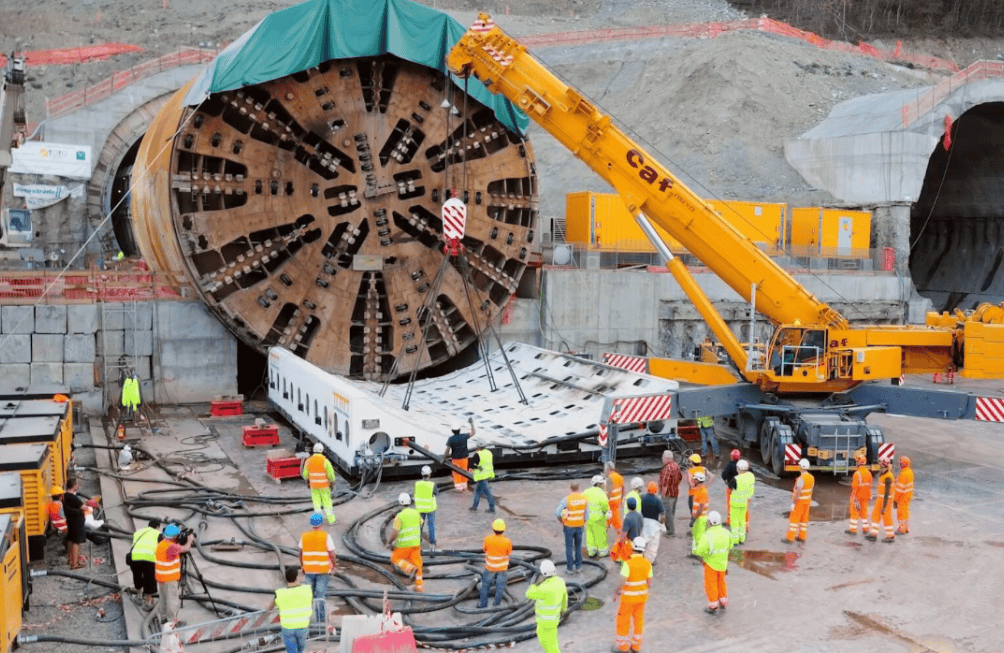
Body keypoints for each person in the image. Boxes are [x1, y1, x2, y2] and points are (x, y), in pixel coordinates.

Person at [613, 537, 653, 652]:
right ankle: (636, 646)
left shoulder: (628, 564)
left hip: (628, 600)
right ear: (644, 549)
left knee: (623, 621)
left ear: (633, 547)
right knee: (638, 621)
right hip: (641, 599)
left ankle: (623, 646)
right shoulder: (647, 563)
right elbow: (649, 581)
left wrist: (616, 591)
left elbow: (622, 580)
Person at [299, 513, 337, 624]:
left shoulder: (304, 536)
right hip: (323, 571)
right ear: (322, 523)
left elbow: (300, 553)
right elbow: (332, 553)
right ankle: (320, 621)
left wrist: (302, 566)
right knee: (320, 595)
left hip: (309, 570)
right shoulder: (326, 536)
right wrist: (334, 566)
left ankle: (305, 619)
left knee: (308, 595)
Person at [525, 559, 568, 653]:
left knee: (549, 644)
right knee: (551, 642)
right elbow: (565, 598)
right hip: (554, 619)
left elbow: (529, 594)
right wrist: (564, 610)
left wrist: (535, 584)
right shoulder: (560, 581)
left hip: (544, 622)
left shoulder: (543, 588)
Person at [156, 523, 195, 624]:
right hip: (169, 579)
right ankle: (172, 622)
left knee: (163, 599)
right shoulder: (172, 547)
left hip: (161, 577)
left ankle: (163, 618)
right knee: (172, 601)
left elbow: (173, 549)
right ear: (174, 536)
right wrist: (189, 540)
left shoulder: (162, 544)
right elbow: (186, 549)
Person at [695, 511, 732, 615]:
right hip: (723, 563)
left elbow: (700, 550)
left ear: (710, 522)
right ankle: (723, 600)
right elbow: (730, 546)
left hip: (710, 563)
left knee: (711, 583)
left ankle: (713, 604)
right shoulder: (727, 533)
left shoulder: (707, 536)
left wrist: (701, 558)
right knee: (721, 581)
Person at [268, 566, 312, 653]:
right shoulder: (306, 590)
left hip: (288, 627)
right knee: (301, 649)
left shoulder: (280, 594)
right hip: (302, 626)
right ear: (297, 577)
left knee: (292, 651)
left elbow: (269, 608)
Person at [389, 493, 424, 591]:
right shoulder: (416, 513)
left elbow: (395, 532)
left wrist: (390, 542)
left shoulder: (399, 516)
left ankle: (410, 568)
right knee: (418, 562)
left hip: (403, 544)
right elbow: (421, 523)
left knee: (395, 558)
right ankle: (419, 587)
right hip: (416, 543)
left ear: (400, 503)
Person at [554, 482, 589, 574]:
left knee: (569, 547)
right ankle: (578, 567)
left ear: (570, 488)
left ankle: (569, 569)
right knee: (578, 547)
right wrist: (582, 522)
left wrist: (561, 521)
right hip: (580, 526)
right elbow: (587, 515)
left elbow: (557, 512)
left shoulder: (567, 499)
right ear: (578, 488)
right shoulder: (584, 499)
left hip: (569, 526)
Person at [129, 518, 162, 609]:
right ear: (157, 527)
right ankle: (148, 602)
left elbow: (134, 544)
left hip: (135, 557)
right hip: (149, 558)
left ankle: (139, 597)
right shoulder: (158, 534)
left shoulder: (138, 532)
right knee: (149, 579)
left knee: (137, 576)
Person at [479, 518, 512, 608]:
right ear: (503, 529)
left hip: (490, 567)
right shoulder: (507, 541)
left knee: (485, 586)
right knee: (500, 587)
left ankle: (483, 604)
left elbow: (484, 549)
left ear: (493, 529)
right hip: (502, 568)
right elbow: (508, 552)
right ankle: (496, 603)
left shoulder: (487, 539)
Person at [301, 443, 337, 524]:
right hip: (324, 486)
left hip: (314, 486)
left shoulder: (308, 461)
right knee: (327, 503)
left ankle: (318, 521)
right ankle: (331, 520)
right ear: (322, 451)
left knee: (316, 504)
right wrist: (332, 481)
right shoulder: (325, 461)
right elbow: (331, 474)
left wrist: (309, 480)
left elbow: (305, 475)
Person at [784, 459, 814, 544]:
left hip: (799, 502)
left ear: (800, 467)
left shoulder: (801, 479)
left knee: (794, 520)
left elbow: (798, 492)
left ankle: (790, 538)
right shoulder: (811, 477)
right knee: (803, 520)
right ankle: (802, 537)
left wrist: (793, 503)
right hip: (807, 502)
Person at [867, 458, 896, 543]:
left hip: (886, 500)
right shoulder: (883, 474)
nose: (880, 466)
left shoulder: (888, 477)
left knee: (887, 518)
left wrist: (884, 507)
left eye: (881, 464)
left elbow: (887, 493)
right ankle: (873, 534)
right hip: (881, 499)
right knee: (875, 515)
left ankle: (890, 536)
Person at [583, 475, 611, 557]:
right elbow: (605, 506)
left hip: (588, 519)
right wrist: (607, 515)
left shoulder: (586, 492)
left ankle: (591, 551)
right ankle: (603, 552)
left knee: (590, 535)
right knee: (600, 535)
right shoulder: (601, 494)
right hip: (599, 519)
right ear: (600, 484)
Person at [444, 419, 475, 491]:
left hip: (455, 460)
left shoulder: (451, 439)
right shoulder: (464, 436)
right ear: (459, 429)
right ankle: (465, 487)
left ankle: (459, 489)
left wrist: (444, 458)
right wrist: (471, 423)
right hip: (464, 459)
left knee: (457, 475)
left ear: (452, 430)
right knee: (464, 473)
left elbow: (447, 451)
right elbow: (473, 432)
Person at [846, 453, 872, 535]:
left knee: (854, 512)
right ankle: (866, 528)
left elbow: (855, 487)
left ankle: (853, 530)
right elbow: (869, 485)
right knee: (864, 512)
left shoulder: (857, 474)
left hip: (858, 496)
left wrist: (854, 499)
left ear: (858, 463)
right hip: (866, 496)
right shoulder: (868, 473)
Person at [730, 460, 755, 546]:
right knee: (742, 520)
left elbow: (730, 486)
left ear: (738, 468)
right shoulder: (751, 476)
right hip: (744, 502)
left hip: (735, 503)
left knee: (735, 521)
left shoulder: (736, 479)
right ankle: (742, 538)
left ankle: (735, 540)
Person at [657, 451, 682, 536]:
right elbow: (680, 477)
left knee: (667, 513)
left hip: (667, 494)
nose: (662, 459)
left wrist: (662, 494)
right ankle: (670, 528)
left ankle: (670, 531)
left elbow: (665, 483)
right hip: (675, 493)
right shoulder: (676, 465)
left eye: (663, 457)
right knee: (671, 512)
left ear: (667, 458)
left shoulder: (668, 468)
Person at [62, 478, 86, 569]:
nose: (78, 486)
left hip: (70, 520)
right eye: (77, 484)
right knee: (76, 541)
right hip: (76, 521)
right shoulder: (73, 497)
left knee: (70, 539)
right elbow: (84, 507)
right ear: (74, 486)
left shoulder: (65, 496)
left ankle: (69, 559)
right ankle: (75, 563)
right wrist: (90, 504)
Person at [639, 482, 665, 562]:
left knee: (641, 540)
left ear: (647, 489)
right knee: (653, 544)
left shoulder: (641, 497)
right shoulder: (657, 500)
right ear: (656, 491)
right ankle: (649, 560)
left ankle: (639, 558)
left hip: (642, 522)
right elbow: (663, 515)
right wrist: (661, 523)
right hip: (653, 524)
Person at [414, 465, 439, 550]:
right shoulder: (432, 485)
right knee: (431, 526)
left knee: (419, 525)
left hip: (420, 508)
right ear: (429, 474)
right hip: (430, 509)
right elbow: (436, 493)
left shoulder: (417, 484)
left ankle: (418, 541)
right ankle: (432, 543)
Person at [612, 497, 643, 562]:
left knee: (618, 543)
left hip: (630, 541)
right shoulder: (640, 515)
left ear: (627, 506)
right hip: (638, 538)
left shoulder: (627, 518)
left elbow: (623, 535)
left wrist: (620, 542)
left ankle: (622, 558)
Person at [469, 445, 496, 513]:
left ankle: (492, 508)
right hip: (488, 475)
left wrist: (476, 467)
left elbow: (471, 465)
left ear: (479, 447)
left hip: (481, 476)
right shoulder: (489, 452)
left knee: (487, 493)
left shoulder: (477, 454)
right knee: (477, 491)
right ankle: (474, 506)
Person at [895, 456, 914, 534]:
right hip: (908, 495)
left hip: (902, 496)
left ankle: (902, 528)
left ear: (902, 464)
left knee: (901, 512)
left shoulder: (903, 474)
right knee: (906, 511)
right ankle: (906, 527)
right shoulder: (909, 472)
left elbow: (899, 489)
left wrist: (895, 499)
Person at [721, 449, 741, 526]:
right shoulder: (742, 464)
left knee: (730, 505)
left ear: (732, 457)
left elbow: (723, 476)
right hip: (741, 489)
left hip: (731, 488)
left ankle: (729, 521)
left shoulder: (729, 465)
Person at [605, 461, 625, 531]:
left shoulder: (609, 478)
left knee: (615, 521)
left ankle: (621, 537)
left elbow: (609, 491)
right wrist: (621, 499)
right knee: (610, 519)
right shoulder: (620, 477)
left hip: (611, 502)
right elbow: (623, 489)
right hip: (617, 501)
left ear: (608, 469)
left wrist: (605, 501)